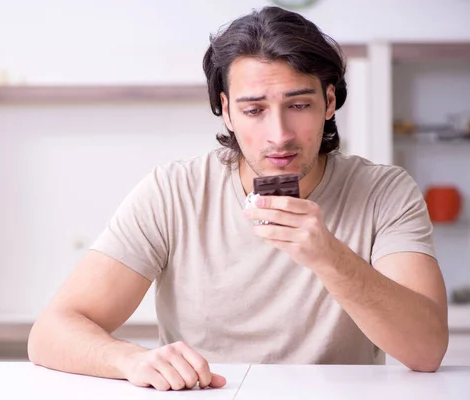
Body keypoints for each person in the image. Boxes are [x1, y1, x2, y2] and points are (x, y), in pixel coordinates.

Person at [27, 6, 449, 391]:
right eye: (253, 111)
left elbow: (426, 349)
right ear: (226, 111)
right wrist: (131, 359)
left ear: (330, 102)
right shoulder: (173, 193)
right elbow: (51, 332)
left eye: (299, 104)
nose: (279, 134)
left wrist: (329, 256)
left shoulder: (385, 193)